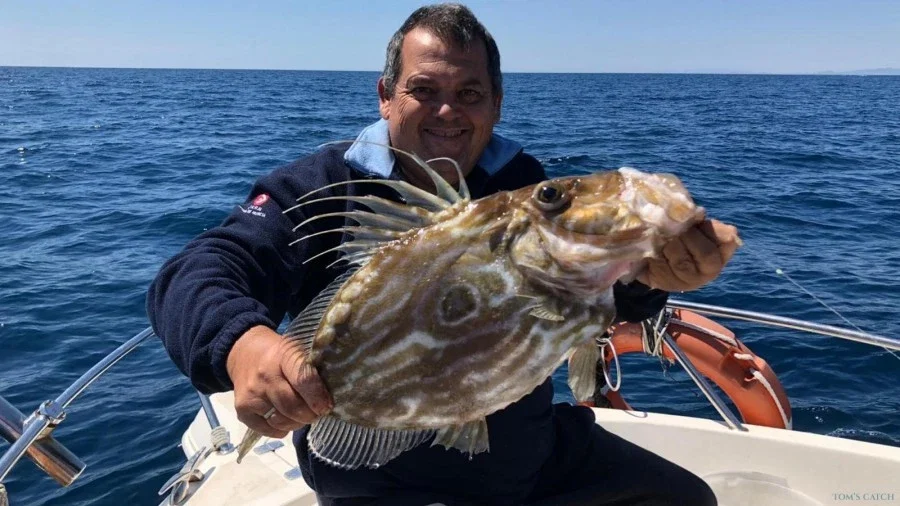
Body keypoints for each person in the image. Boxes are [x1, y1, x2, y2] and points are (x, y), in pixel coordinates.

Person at [147, 4, 740, 505]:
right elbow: (195, 273)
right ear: (386, 96)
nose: (448, 111)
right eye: (423, 91)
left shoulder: (518, 181)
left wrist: (653, 275)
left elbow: (590, 301)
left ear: (497, 103)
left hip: (527, 462)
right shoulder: (319, 189)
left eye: (469, 93)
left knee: (687, 499)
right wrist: (243, 346)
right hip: (376, 483)